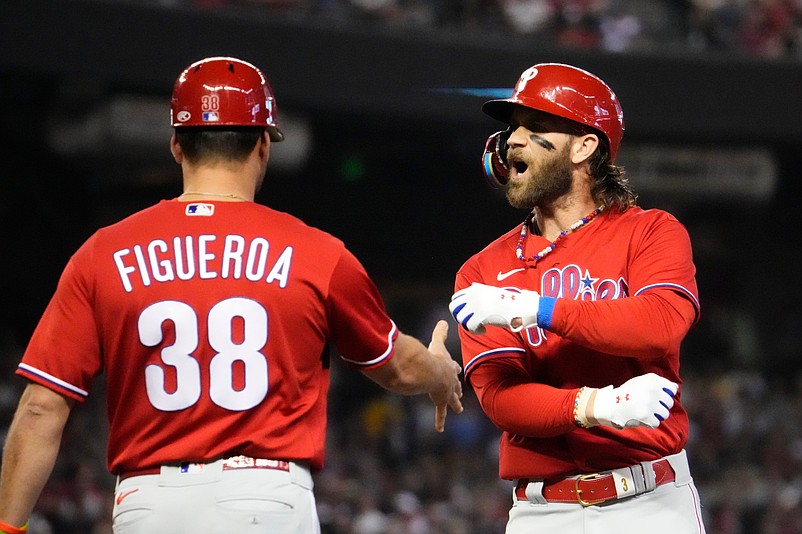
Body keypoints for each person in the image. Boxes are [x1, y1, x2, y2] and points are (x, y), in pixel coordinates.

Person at [0, 56, 463, 534]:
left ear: (177, 146)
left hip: (148, 501)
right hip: (264, 496)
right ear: (263, 145)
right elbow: (397, 365)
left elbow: (40, 408)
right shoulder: (317, 253)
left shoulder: (103, 254)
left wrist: (8, 528)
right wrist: (440, 373)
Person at [448, 63, 706, 533]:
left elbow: (660, 323)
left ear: (585, 146)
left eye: (536, 127)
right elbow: (501, 398)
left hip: (650, 503)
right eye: (513, 129)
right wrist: (594, 406)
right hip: (541, 513)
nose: (513, 141)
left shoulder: (651, 231)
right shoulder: (482, 270)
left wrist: (536, 308)